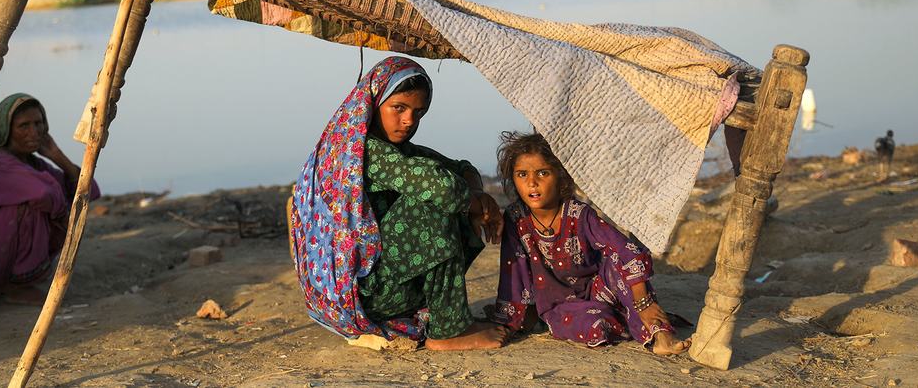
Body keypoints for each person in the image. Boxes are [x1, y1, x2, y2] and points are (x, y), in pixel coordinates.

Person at [290, 56, 506, 350]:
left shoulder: (388, 148)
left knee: (448, 193)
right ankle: (449, 330)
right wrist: (475, 202)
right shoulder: (367, 153)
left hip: (371, 288)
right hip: (366, 295)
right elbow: (443, 189)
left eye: (418, 112)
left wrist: (477, 194)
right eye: (399, 108)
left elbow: (462, 168)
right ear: (373, 104)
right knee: (434, 202)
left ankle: (446, 317)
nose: (409, 121)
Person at [489, 132, 690, 355]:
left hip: (599, 287)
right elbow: (513, 272)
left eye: (543, 173)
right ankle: (625, 316)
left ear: (561, 176)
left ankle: (660, 334)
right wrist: (510, 320)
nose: (532, 182)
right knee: (596, 326)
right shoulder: (516, 218)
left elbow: (624, 250)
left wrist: (643, 301)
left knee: (618, 266)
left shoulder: (579, 213)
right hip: (559, 305)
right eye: (522, 174)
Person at [0, 93, 100, 305]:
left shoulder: (32, 163)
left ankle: (17, 284)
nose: (34, 132)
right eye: (24, 126)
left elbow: (91, 192)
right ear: (6, 130)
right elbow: (44, 194)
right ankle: (13, 287)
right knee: (29, 206)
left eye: (38, 123)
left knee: (47, 201)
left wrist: (57, 155)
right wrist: (61, 217)